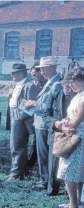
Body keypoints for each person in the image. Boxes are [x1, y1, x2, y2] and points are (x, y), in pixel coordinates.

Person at [25, 56, 64, 194]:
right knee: (43, 155)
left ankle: (49, 184)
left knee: (47, 155)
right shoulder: (50, 83)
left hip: (47, 124)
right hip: (42, 123)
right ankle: (45, 181)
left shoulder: (56, 84)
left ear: (52, 68)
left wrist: (34, 103)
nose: (42, 72)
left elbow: (52, 106)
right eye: (41, 69)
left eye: (44, 69)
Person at [55, 68, 84, 208]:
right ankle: (77, 202)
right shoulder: (78, 96)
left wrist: (62, 124)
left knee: (69, 170)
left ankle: (73, 206)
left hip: (78, 138)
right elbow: (72, 117)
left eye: (73, 82)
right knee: (76, 171)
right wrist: (66, 121)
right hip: (74, 136)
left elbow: (77, 122)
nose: (70, 85)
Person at [7, 64, 39, 181]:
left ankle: (15, 174)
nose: (12, 75)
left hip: (20, 119)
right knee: (15, 146)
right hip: (14, 117)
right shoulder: (18, 85)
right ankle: (22, 171)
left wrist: (17, 116)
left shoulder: (30, 86)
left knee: (17, 146)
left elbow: (31, 107)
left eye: (14, 73)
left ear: (21, 73)